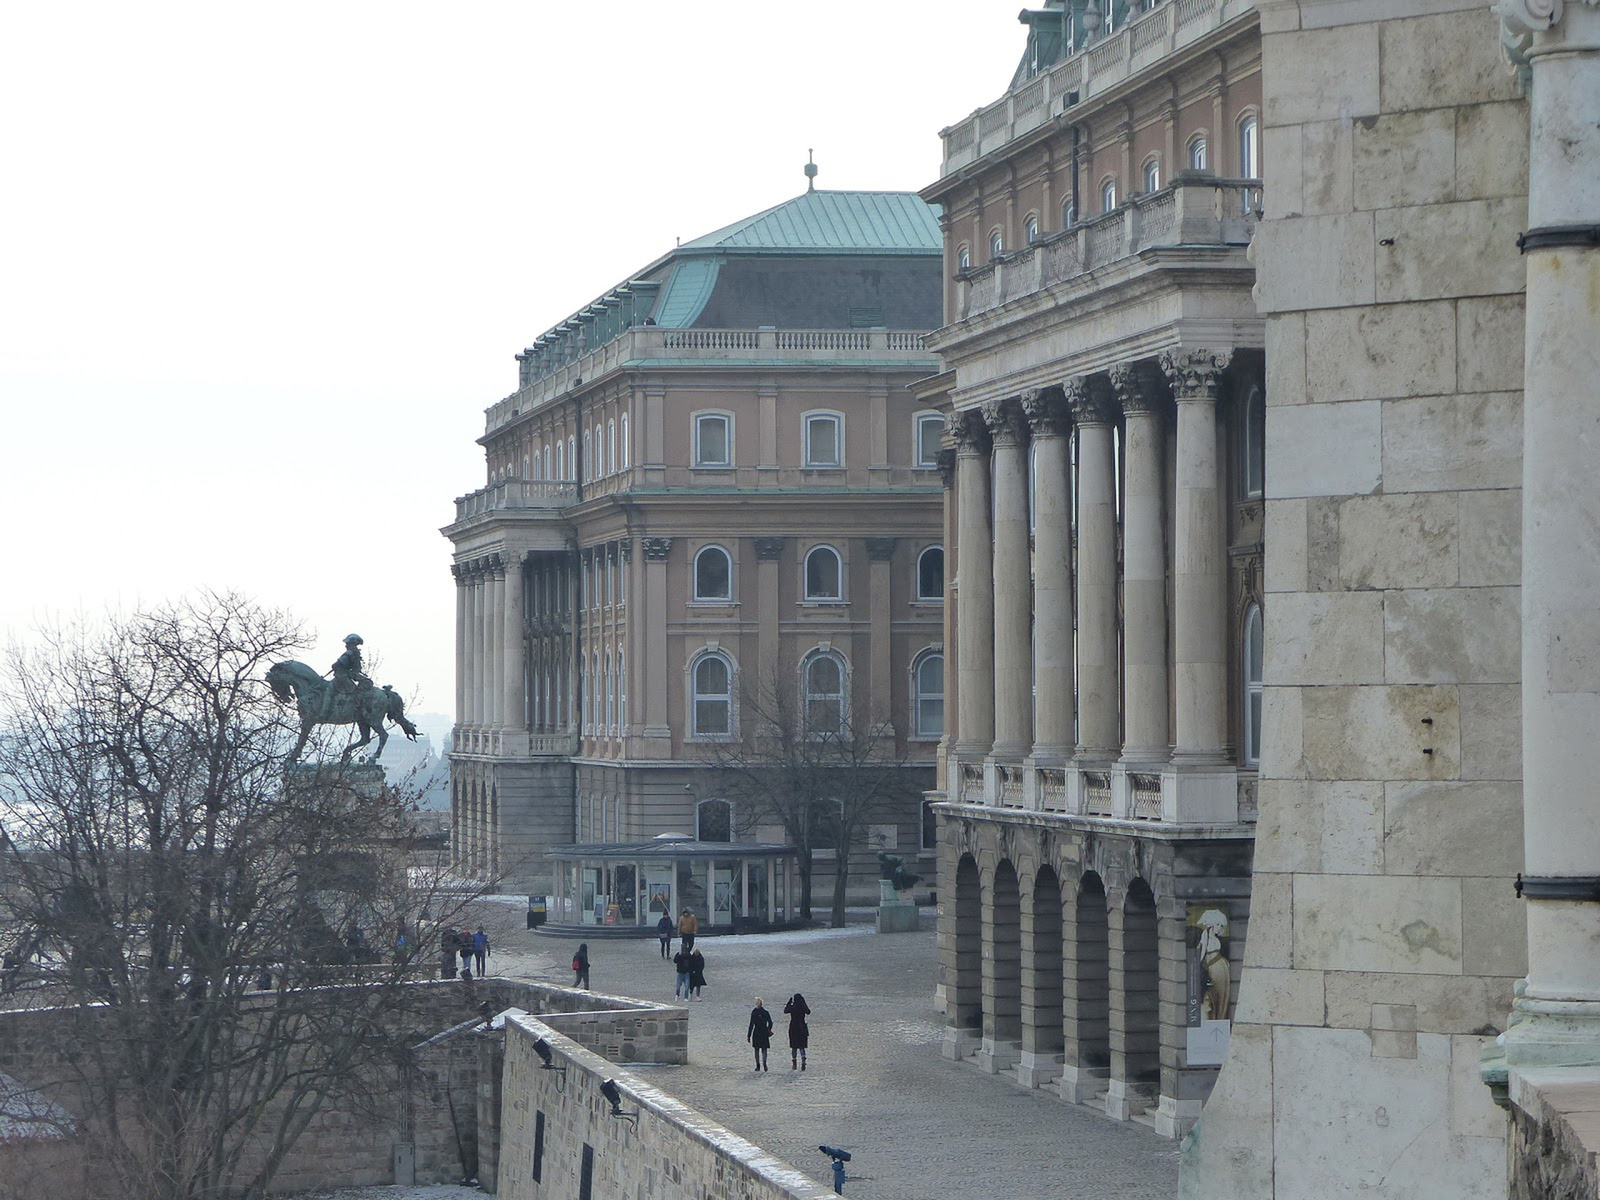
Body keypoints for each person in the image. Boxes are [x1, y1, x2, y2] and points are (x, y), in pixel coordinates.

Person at [784, 992, 811, 1070]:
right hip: (802, 1027)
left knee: (794, 1047)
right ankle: (803, 1060)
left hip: (793, 1028)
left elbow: (785, 1011)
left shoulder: (793, 1007)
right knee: (802, 1046)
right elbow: (808, 1012)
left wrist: (788, 1003)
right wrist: (804, 1002)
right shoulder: (803, 1007)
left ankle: (794, 1063)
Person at [747, 997, 774, 1071]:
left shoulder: (754, 1012)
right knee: (764, 1049)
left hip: (756, 1032)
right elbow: (771, 1022)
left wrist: (749, 1035)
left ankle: (758, 1065)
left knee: (756, 1050)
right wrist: (768, 1029)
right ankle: (764, 1064)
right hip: (764, 1032)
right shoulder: (765, 1012)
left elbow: (751, 1024)